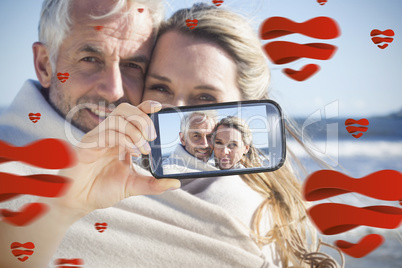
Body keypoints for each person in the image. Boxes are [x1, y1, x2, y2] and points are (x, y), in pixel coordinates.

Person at [0, 2, 341, 268]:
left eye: (134, 65)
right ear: (45, 65)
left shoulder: (258, 207)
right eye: (90, 58)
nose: (114, 89)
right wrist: (62, 206)